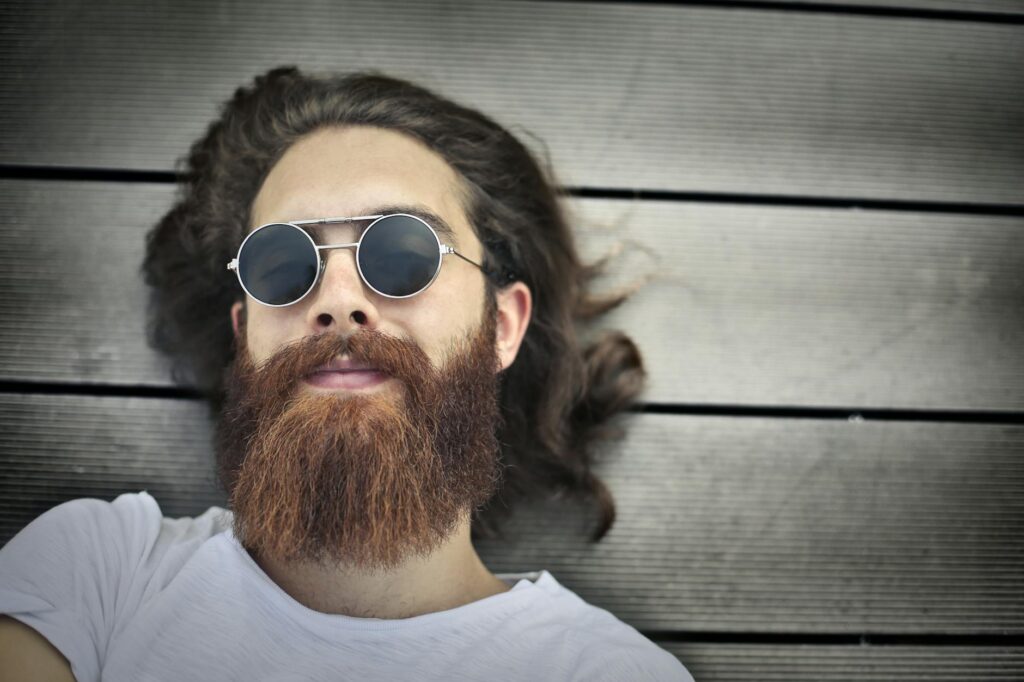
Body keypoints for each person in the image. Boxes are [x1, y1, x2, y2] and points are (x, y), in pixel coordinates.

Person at [0, 67, 694, 681]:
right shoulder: (101, 572)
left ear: (501, 327)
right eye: (283, 264)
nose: (337, 299)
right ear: (245, 337)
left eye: (402, 252)